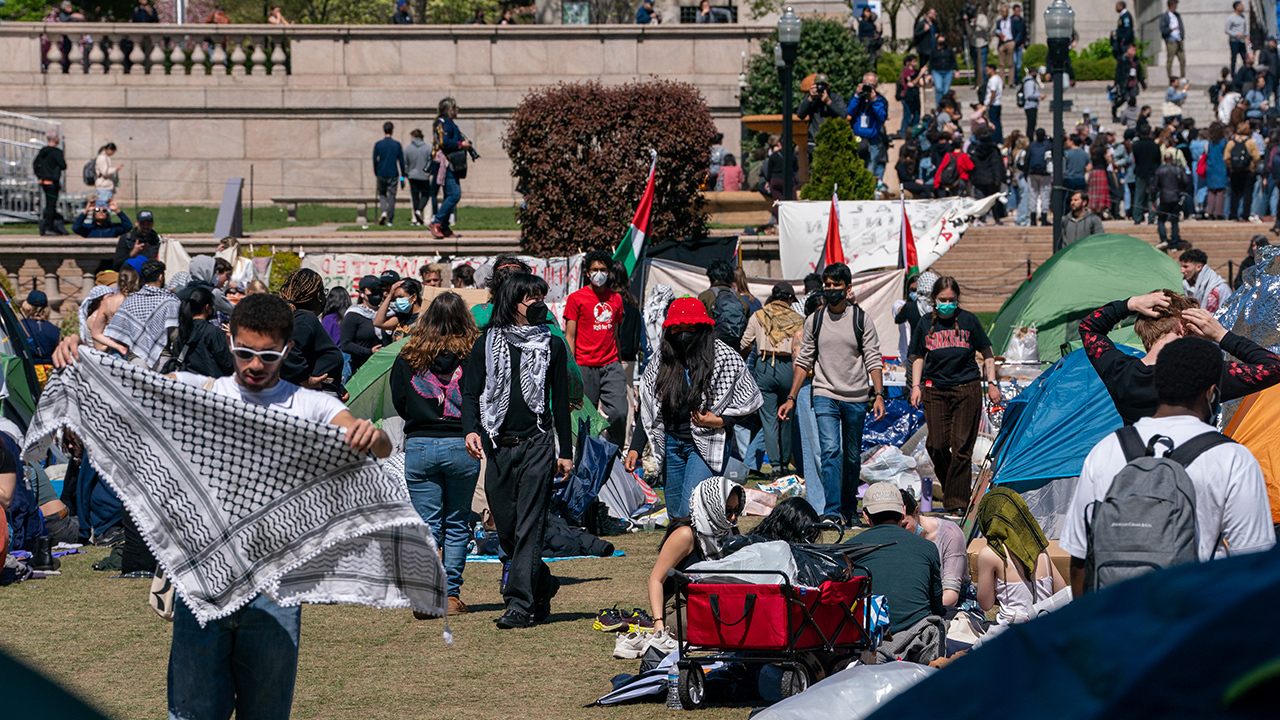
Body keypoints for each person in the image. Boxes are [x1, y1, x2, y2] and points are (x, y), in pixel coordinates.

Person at [53, 292, 391, 720]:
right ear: (230, 341)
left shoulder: (312, 405)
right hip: (204, 584)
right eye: (245, 352)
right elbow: (122, 385)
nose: (255, 365)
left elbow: (378, 444)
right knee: (193, 713)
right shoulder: (198, 390)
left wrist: (371, 436)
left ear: (287, 348)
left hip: (273, 589)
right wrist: (80, 349)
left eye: (268, 355)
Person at [1061, 337, 1275, 596]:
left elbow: (1081, 557)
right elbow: (1253, 564)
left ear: (1157, 385)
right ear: (1212, 393)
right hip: (1193, 614)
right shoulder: (1232, 457)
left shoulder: (1107, 449)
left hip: (1116, 613)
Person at [461, 273, 574, 629]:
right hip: (498, 445)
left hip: (537, 444)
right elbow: (470, 392)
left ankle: (517, 604)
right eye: (531, 298)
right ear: (513, 303)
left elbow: (560, 402)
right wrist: (470, 430)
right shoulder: (486, 344)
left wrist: (566, 451)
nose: (539, 303)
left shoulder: (552, 345)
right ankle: (544, 584)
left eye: (542, 296)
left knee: (529, 526)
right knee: (507, 529)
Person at [391, 291, 481, 617]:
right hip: (462, 444)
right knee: (457, 524)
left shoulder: (407, 355)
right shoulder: (475, 355)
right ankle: (451, 596)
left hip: (420, 444)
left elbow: (400, 401)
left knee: (427, 525)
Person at [627, 298, 761, 515]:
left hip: (708, 441)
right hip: (672, 442)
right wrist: (636, 446)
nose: (683, 333)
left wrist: (720, 421)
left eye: (689, 328)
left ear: (703, 328)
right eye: (677, 328)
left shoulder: (724, 357)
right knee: (675, 514)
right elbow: (649, 405)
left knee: (692, 510)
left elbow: (748, 398)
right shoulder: (662, 359)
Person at [779, 263, 886, 524]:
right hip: (824, 394)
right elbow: (804, 360)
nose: (830, 289)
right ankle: (832, 511)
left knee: (851, 456)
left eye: (836, 285)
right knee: (829, 451)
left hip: (855, 397)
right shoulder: (815, 320)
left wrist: (879, 394)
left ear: (848, 288)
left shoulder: (861, 319)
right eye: (827, 285)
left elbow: (873, 358)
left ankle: (849, 508)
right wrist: (791, 397)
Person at [1079, 290, 1280, 426]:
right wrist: (1222, 335)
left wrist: (1130, 304)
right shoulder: (1205, 375)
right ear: (1184, 327)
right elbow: (1273, 367)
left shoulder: (1121, 373)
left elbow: (1089, 327)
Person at [908, 276, 999, 514]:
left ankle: (957, 503)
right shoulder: (925, 323)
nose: (947, 304)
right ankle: (955, 489)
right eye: (943, 300)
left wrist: (992, 383)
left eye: (952, 300)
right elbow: (917, 356)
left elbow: (987, 352)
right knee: (936, 445)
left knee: (961, 448)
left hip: (966, 389)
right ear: (934, 299)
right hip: (935, 390)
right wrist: (915, 386)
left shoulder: (969, 320)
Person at [849, 482, 944, 662]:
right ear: (902, 513)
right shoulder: (928, 547)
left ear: (866, 516)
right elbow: (937, 606)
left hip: (867, 642)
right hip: (918, 644)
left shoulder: (848, 549)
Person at [646, 476, 742, 639]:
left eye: (736, 510)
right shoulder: (685, 535)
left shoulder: (729, 533)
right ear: (712, 507)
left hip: (714, 601)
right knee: (726, 620)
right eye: (727, 511)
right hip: (680, 606)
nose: (733, 518)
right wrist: (658, 622)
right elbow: (656, 580)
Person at [974, 487, 1067, 626]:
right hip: (1045, 625)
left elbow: (985, 604)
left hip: (1010, 629)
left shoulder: (990, 554)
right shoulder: (1038, 548)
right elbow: (1061, 589)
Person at [564, 250, 627, 446]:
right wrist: (571, 369)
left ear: (609, 272)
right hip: (583, 366)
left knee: (619, 412)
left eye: (603, 270)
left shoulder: (616, 299)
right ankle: (586, 455)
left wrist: (619, 362)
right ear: (587, 272)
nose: (599, 274)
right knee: (584, 419)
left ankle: (614, 451)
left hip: (610, 364)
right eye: (595, 269)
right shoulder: (576, 299)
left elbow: (615, 334)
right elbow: (570, 336)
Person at [741, 283, 803, 479]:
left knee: (768, 420)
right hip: (789, 366)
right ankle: (784, 464)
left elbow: (745, 342)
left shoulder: (758, 315)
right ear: (790, 298)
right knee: (787, 418)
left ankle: (775, 466)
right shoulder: (797, 319)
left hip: (765, 366)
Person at [277, 269, 345, 396]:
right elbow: (286, 348)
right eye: (324, 292)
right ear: (319, 296)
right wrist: (306, 380)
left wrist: (336, 386)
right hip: (309, 397)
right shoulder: (304, 319)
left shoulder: (301, 320)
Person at [104, 259, 178, 371]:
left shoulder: (130, 300)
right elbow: (174, 335)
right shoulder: (170, 301)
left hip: (136, 358)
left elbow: (118, 332)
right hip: (162, 358)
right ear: (161, 277)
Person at [901, 490, 969, 607]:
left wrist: (916, 610)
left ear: (916, 512)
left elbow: (951, 595)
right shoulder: (895, 536)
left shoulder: (950, 534)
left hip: (949, 604)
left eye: (904, 525)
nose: (900, 531)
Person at [164, 286, 234, 378]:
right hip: (209, 382)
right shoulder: (214, 332)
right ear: (207, 307)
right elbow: (228, 364)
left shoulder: (183, 330)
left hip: (188, 379)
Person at [428, 98, 471, 239]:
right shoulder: (444, 123)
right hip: (447, 165)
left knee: (449, 195)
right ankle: (436, 222)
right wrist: (461, 144)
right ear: (449, 109)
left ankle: (444, 227)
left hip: (452, 164)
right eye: (455, 108)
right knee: (454, 195)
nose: (457, 110)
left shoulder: (449, 123)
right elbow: (444, 142)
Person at [340, 275, 388, 376]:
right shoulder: (353, 315)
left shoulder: (386, 313)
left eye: (379, 289)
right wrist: (369, 351)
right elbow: (345, 344)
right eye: (373, 290)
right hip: (361, 370)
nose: (377, 293)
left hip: (383, 368)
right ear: (361, 293)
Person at [846, 71, 890, 180]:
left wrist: (874, 101)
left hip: (872, 139)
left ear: (876, 86)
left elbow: (882, 117)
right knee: (855, 165)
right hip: (858, 137)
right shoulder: (857, 98)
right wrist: (857, 95)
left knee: (870, 167)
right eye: (867, 84)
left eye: (872, 85)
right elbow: (849, 111)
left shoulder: (881, 100)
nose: (869, 87)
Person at [797, 73, 846, 164]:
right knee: (814, 169)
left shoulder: (835, 98)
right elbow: (800, 115)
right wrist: (810, 98)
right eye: (818, 85)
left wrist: (829, 102)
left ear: (828, 87)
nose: (821, 88)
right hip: (814, 141)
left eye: (823, 86)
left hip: (831, 141)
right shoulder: (811, 98)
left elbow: (843, 116)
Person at [968, 127, 1006, 223]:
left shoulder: (975, 150)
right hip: (991, 178)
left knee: (980, 199)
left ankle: (979, 219)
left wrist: (972, 177)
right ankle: (996, 218)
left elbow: (973, 164)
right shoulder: (993, 150)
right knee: (993, 200)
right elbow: (996, 165)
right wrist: (998, 178)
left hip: (978, 177)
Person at [1153, 149, 1189, 250]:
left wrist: (1152, 199)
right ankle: (1174, 243)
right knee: (1174, 220)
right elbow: (1186, 181)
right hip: (1176, 197)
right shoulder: (1178, 169)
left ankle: (1164, 239)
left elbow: (1154, 187)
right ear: (1172, 159)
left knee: (1161, 219)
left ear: (1164, 160)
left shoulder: (1160, 170)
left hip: (1164, 197)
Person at [33, 130, 66, 236]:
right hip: (52, 182)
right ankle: (48, 227)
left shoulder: (42, 152)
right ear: (55, 138)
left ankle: (47, 225)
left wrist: (40, 176)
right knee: (51, 205)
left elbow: (35, 164)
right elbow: (63, 165)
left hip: (44, 182)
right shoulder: (57, 152)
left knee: (49, 204)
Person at [1225, 121, 1260, 222]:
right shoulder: (1250, 143)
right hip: (1247, 171)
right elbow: (1256, 157)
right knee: (1247, 193)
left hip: (1235, 171)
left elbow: (1226, 157)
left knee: (1234, 193)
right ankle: (1245, 214)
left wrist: (1231, 166)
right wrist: (1252, 167)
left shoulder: (1231, 143)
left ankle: (1233, 214)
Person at [372, 121, 405, 227]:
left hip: (381, 172)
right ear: (392, 130)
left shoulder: (378, 144)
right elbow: (401, 162)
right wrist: (403, 177)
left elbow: (374, 160)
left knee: (382, 194)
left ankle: (383, 212)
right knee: (391, 196)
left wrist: (376, 171)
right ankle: (390, 220)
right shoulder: (397, 145)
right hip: (393, 173)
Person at [374, 278, 423, 342]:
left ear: (414, 297)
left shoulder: (423, 317)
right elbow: (378, 323)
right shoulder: (401, 317)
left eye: (401, 296)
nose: (398, 300)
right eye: (396, 298)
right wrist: (389, 296)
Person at [19, 291, 60, 364]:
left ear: (26, 307)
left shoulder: (20, 326)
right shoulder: (55, 330)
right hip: (49, 369)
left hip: (26, 368)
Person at [1131, 126, 1161, 222]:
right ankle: (1152, 216)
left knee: (1138, 196)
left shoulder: (1136, 146)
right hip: (1152, 172)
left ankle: (1137, 217)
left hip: (1140, 172)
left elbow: (1135, 160)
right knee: (1152, 197)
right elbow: (1158, 160)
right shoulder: (1155, 146)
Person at [404, 128, 433, 226]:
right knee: (425, 195)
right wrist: (429, 172)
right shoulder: (428, 148)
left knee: (415, 197)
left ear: (413, 136)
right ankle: (419, 211)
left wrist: (406, 174)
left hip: (412, 176)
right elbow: (431, 162)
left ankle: (416, 219)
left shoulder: (407, 149)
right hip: (424, 176)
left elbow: (405, 163)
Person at [1112, 44, 1146, 122]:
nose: (1134, 52)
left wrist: (1143, 85)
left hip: (1133, 83)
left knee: (1132, 100)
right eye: (1132, 50)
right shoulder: (1123, 60)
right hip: (1124, 83)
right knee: (1123, 99)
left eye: (1135, 50)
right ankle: (1114, 110)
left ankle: (1131, 116)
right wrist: (1116, 84)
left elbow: (1139, 74)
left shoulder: (1136, 61)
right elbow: (1118, 73)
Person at [925, 33, 957, 110]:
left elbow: (953, 60)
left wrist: (956, 70)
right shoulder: (934, 50)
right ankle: (939, 107)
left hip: (948, 71)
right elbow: (931, 62)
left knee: (946, 90)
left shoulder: (949, 50)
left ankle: (946, 105)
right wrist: (929, 73)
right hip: (937, 71)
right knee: (939, 88)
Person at [896, 55, 924, 139]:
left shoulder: (916, 72)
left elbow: (921, 83)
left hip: (915, 96)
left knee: (917, 115)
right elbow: (911, 83)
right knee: (907, 115)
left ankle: (915, 132)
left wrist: (921, 76)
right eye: (914, 61)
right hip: (907, 96)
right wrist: (920, 74)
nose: (916, 63)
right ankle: (903, 132)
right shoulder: (906, 72)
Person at [993, 4, 1015, 88]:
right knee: (1001, 64)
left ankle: (1010, 82)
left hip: (1010, 41)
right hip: (1002, 43)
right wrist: (998, 34)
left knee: (1010, 63)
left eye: (1005, 11)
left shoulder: (1012, 20)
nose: (1004, 13)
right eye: (1003, 12)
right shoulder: (999, 21)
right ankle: (1002, 82)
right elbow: (997, 30)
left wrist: (1015, 41)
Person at [1226, 1, 1248, 75]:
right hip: (1234, 41)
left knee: (1245, 58)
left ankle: (1246, 73)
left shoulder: (1242, 17)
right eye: (1241, 6)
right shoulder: (1231, 18)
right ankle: (1233, 74)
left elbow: (1244, 29)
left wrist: (1246, 38)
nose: (1243, 7)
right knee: (1234, 58)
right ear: (1236, 7)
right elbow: (1227, 30)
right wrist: (1236, 34)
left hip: (1242, 41)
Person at [1021, 66, 1042, 139]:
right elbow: (1029, 95)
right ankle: (1029, 139)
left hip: (1032, 105)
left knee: (1032, 124)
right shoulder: (1030, 82)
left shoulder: (1031, 81)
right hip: (1030, 105)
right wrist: (1039, 95)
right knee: (1031, 125)